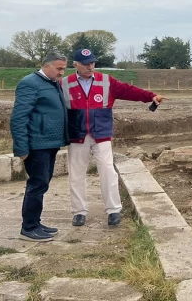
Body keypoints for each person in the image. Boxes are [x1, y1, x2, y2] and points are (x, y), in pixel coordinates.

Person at [61, 48, 166, 227]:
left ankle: (113, 211)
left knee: (108, 172)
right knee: (76, 175)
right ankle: (79, 212)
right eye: (86, 64)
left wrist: (150, 96)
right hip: (77, 136)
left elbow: (128, 90)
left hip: (101, 134)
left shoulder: (106, 81)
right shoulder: (64, 84)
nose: (90, 67)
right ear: (75, 65)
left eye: (92, 63)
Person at [11, 52, 69, 242]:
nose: (62, 72)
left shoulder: (52, 83)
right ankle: (28, 228)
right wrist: (22, 149)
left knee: (42, 184)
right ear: (46, 66)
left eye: (64, 68)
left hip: (50, 143)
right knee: (37, 185)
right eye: (59, 68)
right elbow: (19, 118)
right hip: (37, 145)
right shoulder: (30, 83)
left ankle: (35, 222)